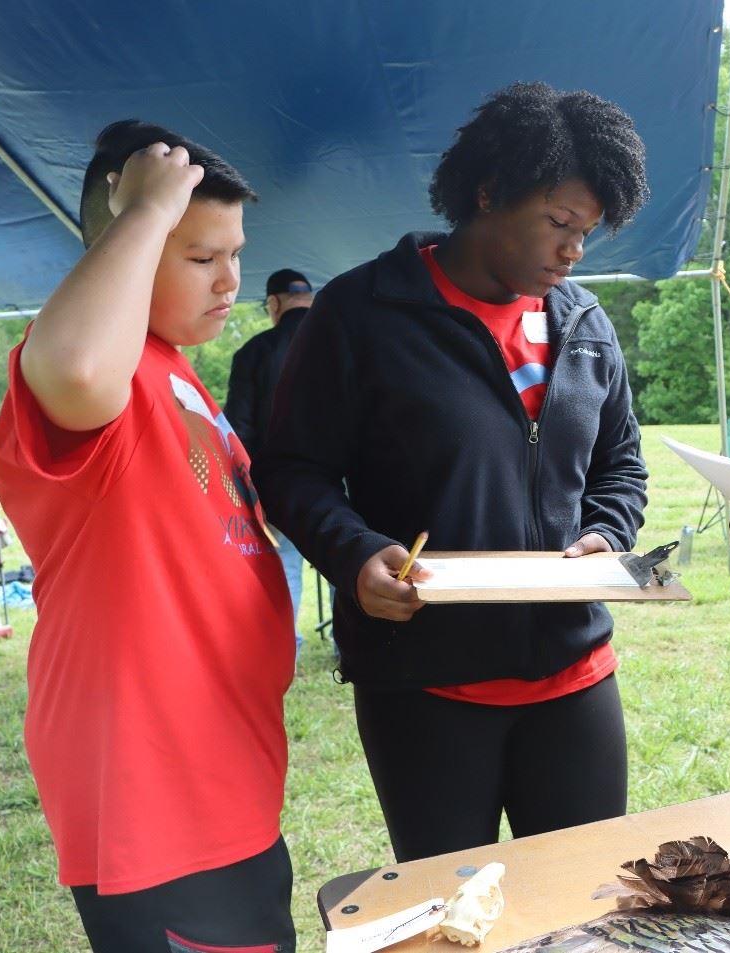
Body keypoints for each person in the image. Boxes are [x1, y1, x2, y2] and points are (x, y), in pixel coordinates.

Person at [255, 82, 650, 860]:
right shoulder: (362, 313)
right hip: (427, 689)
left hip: (574, 678)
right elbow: (292, 467)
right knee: (450, 909)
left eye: (588, 232)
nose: (574, 250)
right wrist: (355, 553)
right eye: (559, 223)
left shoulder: (584, 322)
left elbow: (620, 466)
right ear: (489, 191)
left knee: (583, 903)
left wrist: (607, 532)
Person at [0, 120, 295, 952]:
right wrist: (147, 209)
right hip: (153, 795)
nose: (231, 279)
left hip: (223, 771)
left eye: (236, 253)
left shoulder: (176, 371)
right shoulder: (99, 375)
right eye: (199, 256)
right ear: (120, 240)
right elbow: (82, 366)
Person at [225, 267, 316, 659]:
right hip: (348, 482)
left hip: (279, 484)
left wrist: (248, 489)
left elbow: (238, 429)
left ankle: (286, 651)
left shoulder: (254, 353)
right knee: (348, 563)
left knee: (287, 566)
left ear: (274, 304)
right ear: (310, 302)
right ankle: (350, 647)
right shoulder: (343, 344)